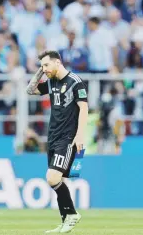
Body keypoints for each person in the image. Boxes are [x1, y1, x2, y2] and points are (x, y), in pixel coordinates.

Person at [26, 50, 88, 233]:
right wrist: (40, 71)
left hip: (67, 137)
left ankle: (72, 215)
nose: (44, 69)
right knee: (56, 179)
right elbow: (30, 90)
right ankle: (66, 219)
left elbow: (84, 108)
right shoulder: (51, 82)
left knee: (52, 177)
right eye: (42, 66)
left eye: (46, 65)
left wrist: (80, 135)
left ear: (58, 63)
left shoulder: (75, 82)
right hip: (52, 136)